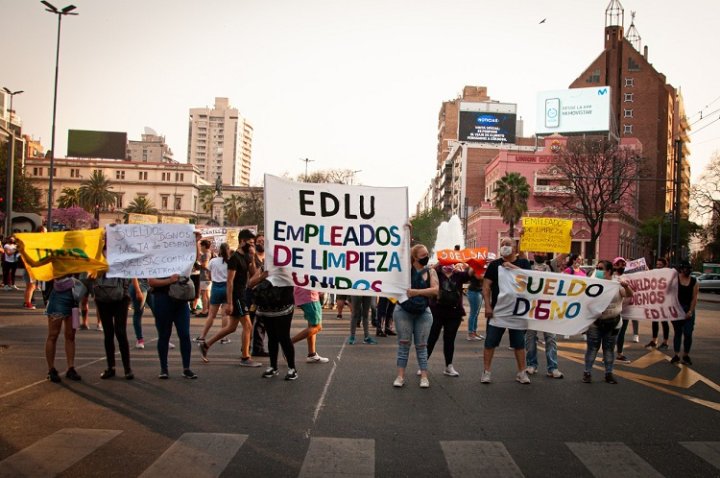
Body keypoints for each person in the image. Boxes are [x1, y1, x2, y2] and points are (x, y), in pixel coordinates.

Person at [199, 229, 261, 367]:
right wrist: (230, 302)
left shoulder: (246, 256)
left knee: (231, 327)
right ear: (242, 241)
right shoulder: (234, 259)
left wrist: (252, 258)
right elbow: (229, 281)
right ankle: (245, 357)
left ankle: (206, 345)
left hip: (242, 294)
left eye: (253, 243)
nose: (252, 245)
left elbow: (253, 275)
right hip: (237, 296)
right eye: (250, 243)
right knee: (248, 325)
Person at [481, 237, 531, 385]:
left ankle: (522, 372)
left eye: (507, 244)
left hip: (518, 312)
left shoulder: (523, 263)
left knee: (519, 344)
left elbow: (531, 279)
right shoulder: (494, 265)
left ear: (515, 247)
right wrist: (488, 306)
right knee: (490, 342)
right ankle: (486, 372)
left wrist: (512, 267)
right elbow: (486, 286)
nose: (504, 246)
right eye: (502, 244)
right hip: (498, 311)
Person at [392, 244, 438, 388]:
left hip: (423, 312)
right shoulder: (405, 271)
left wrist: (416, 292)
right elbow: (401, 251)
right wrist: (407, 230)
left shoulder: (431, 271)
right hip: (403, 311)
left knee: (422, 346)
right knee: (404, 344)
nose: (426, 257)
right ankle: (400, 376)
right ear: (414, 258)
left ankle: (424, 377)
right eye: (423, 255)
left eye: (427, 254)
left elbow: (436, 290)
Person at [583, 260, 634, 384]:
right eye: (597, 268)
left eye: (601, 268)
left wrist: (626, 286)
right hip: (595, 323)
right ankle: (587, 373)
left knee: (609, 349)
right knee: (592, 349)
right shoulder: (593, 283)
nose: (598, 270)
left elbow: (630, 294)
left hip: (613, 323)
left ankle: (608, 374)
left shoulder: (617, 284)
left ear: (609, 271)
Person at [249, 269, 297, 380]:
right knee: (272, 337)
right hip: (267, 305)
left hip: (284, 305)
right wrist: (262, 276)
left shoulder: (290, 264)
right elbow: (250, 284)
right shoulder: (265, 266)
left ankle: (292, 368)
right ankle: (273, 366)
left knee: (284, 337)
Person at [148, 274, 196, 379]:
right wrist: (169, 280)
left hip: (181, 300)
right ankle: (164, 369)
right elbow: (151, 282)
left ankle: (186, 368)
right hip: (162, 299)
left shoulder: (181, 260)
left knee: (185, 334)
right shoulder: (157, 261)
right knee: (164, 335)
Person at [427, 262, 469, 377]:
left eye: (451, 262)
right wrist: (437, 264)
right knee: (432, 338)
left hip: (454, 313)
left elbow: (472, 273)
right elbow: (426, 274)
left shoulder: (458, 275)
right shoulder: (436, 273)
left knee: (450, 339)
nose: (449, 264)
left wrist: (470, 262)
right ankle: (423, 364)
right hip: (437, 311)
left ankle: (449, 366)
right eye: (446, 262)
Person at [525, 252, 564, 378]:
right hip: (532, 308)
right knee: (530, 338)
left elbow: (564, 255)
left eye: (542, 251)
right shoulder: (528, 265)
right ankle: (531, 365)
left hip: (548, 307)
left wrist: (567, 238)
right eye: (537, 250)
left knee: (551, 338)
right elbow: (520, 254)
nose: (539, 253)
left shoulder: (551, 265)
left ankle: (552, 368)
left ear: (546, 253)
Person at [94, 272, 134, 379]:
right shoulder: (98, 258)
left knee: (120, 332)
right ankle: (111, 367)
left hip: (120, 298)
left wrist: (124, 289)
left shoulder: (121, 257)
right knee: (108, 333)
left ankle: (127, 368)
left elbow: (129, 273)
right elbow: (91, 275)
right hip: (102, 297)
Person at [43, 275, 82, 383]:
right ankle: (51, 369)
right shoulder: (56, 259)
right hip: (58, 297)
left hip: (74, 298)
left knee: (71, 335)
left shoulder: (76, 259)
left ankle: (71, 368)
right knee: (53, 334)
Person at [197, 242, 230, 344]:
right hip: (226, 287)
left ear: (219, 250)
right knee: (225, 315)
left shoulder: (213, 261)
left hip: (216, 287)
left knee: (211, 315)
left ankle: (202, 336)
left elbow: (210, 275)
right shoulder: (230, 261)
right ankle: (223, 337)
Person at [671, 261, 699, 365]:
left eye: (689, 269)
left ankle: (686, 355)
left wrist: (690, 311)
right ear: (681, 269)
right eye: (686, 268)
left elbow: (694, 298)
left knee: (688, 333)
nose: (688, 271)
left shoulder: (694, 281)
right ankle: (676, 355)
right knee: (677, 333)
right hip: (677, 310)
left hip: (688, 310)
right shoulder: (675, 280)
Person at [292, 287, 330, 363]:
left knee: (312, 325)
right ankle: (288, 344)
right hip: (309, 294)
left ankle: (312, 354)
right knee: (317, 327)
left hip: (305, 293)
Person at [612, 257, 637, 363]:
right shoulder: (611, 278)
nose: (621, 266)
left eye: (623, 264)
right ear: (614, 265)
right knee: (612, 334)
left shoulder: (628, 277)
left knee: (622, 333)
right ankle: (607, 355)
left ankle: (620, 354)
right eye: (618, 264)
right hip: (614, 311)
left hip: (626, 310)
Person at [248, 233, 268, 356]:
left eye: (263, 241)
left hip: (264, 294)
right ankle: (245, 347)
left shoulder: (269, 258)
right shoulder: (252, 257)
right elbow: (252, 276)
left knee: (261, 322)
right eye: (259, 241)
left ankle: (258, 348)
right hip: (252, 293)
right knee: (249, 321)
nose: (261, 243)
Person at [646, 257, 670, 349]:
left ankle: (665, 342)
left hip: (664, 302)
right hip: (655, 301)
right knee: (654, 321)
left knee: (664, 322)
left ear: (665, 265)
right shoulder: (655, 273)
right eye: (657, 265)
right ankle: (654, 340)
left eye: (660, 265)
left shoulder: (668, 275)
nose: (658, 266)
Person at [129, 277, 150, 349]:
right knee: (138, 313)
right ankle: (139, 339)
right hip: (139, 285)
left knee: (159, 313)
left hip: (150, 285)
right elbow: (133, 273)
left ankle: (164, 338)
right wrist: (137, 290)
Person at [466, 266, 484, 341]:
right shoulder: (473, 268)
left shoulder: (479, 267)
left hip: (478, 291)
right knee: (473, 313)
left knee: (476, 313)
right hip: (474, 292)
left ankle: (474, 332)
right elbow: (480, 277)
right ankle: (470, 334)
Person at [196, 239, 213, 317]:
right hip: (207, 276)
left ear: (204, 246)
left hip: (205, 276)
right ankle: (208, 310)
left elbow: (205, 265)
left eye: (201, 246)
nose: (201, 247)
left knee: (204, 295)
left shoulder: (206, 254)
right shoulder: (208, 253)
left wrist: (198, 264)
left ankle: (204, 310)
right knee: (207, 294)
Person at [189, 231, 203, 314]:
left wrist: (197, 242)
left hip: (196, 274)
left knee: (197, 292)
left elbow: (198, 256)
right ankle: (190, 306)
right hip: (189, 275)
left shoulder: (198, 255)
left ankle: (193, 307)